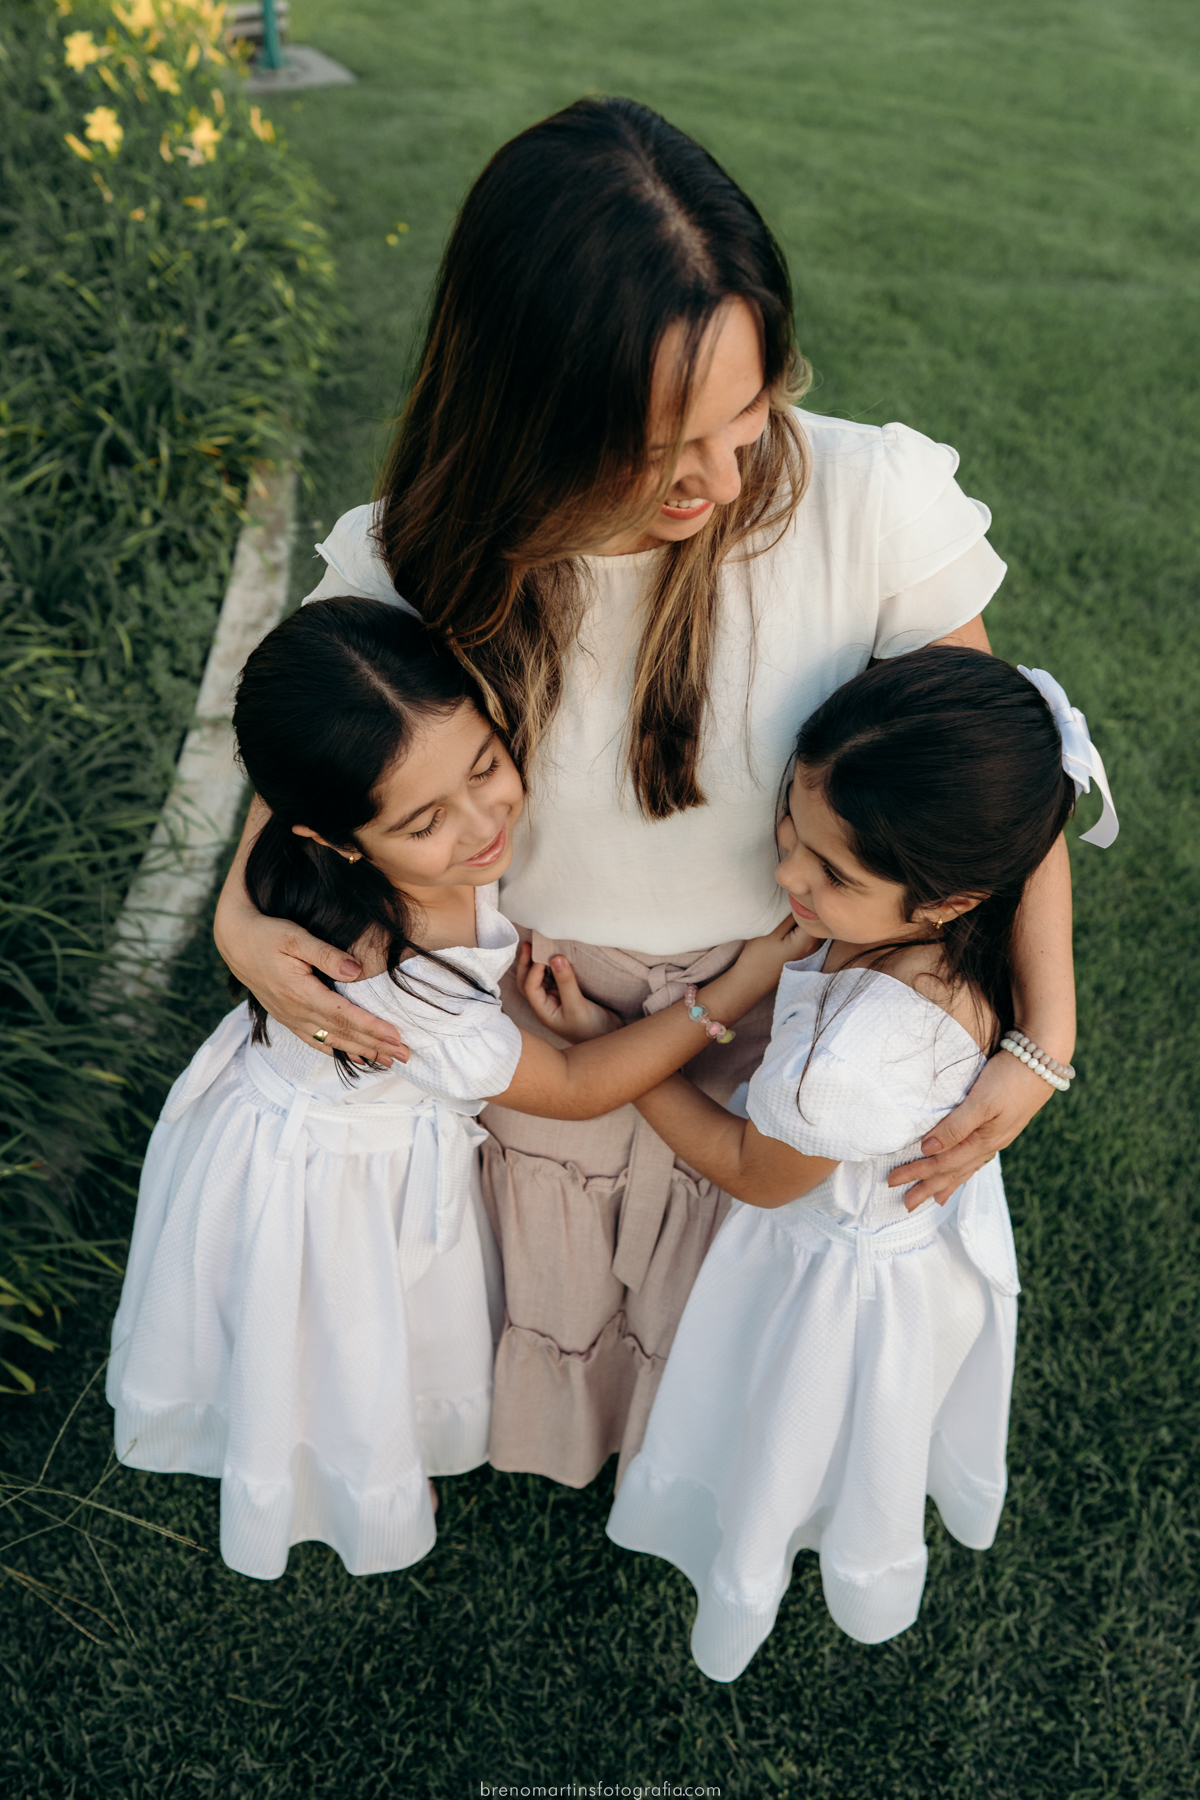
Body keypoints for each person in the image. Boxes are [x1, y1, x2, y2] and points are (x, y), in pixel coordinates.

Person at [213, 96, 1077, 1489]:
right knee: (555, 1275)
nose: (727, 479)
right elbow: (314, 747)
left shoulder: (865, 501)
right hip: (535, 1020)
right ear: (529, 408)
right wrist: (239, 925)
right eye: (667, 445)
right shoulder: (428, 550)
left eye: (749, 414)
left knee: (728, 1320)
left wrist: (1043, 1031)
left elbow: (1005, 766)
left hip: (763, 1002)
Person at [108, 600, 802, 1579]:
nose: (483, 826)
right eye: (427, 822)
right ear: (336, 839)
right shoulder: (392, 983)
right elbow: (570, 1083)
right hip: (331, 1184)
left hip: (317, 1134)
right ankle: (351, 1474)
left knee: (367, 1332)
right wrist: (734, 987)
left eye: (485, 766)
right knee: (339, 1335)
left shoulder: (360, 866)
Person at [604, 648, 1118, 1670]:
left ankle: (752, 1565)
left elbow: (752, 1170)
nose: (788, 873)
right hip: (907, 1247)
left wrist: (633, 1070)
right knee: (867, 1433)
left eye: (831, 873)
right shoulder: (958, 940)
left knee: (785, 1430)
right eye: (792, 827)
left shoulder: (842, 1073)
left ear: (943, 902)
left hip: (828, 1283)